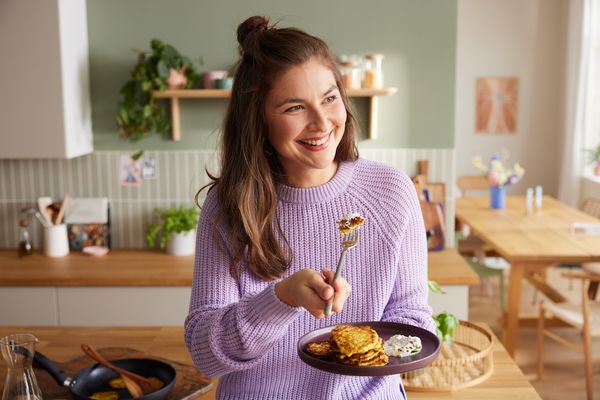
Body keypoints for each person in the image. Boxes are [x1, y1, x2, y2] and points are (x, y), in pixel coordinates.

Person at [184, 15, 434, 400]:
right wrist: (280, 299)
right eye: (294, 107)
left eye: (329, 98)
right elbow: (206, 355)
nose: (321, 123)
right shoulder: (228, 208)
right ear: (259, 121)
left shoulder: (391, 192)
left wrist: (365, 349)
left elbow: (412, 320)